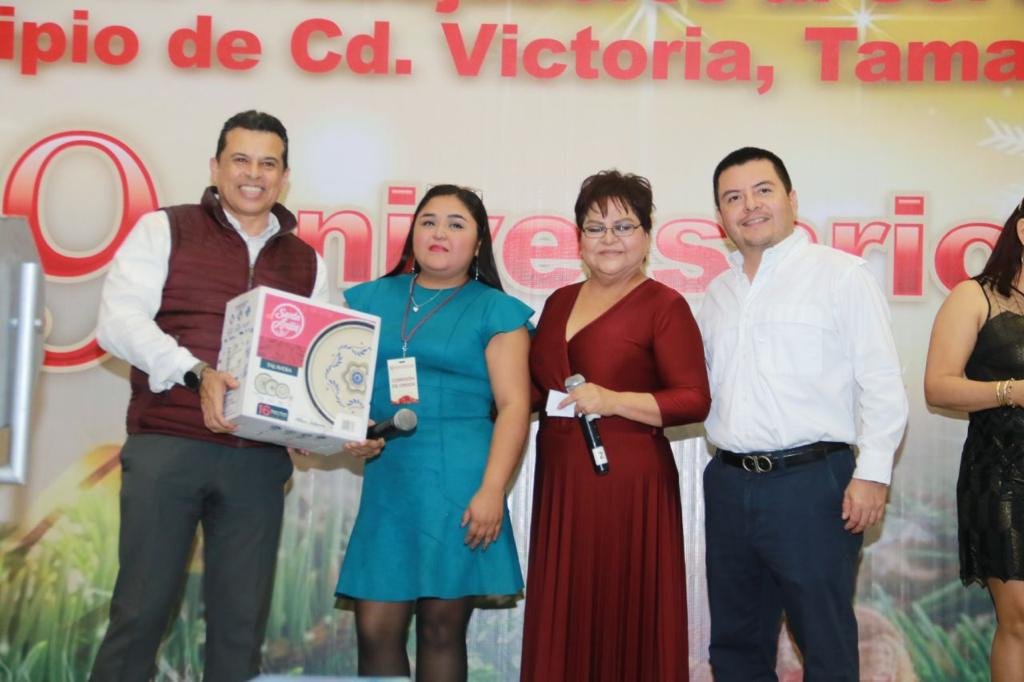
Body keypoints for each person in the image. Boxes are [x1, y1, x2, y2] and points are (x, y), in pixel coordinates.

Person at [90, 110, 328, 682]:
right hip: (168, 447)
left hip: (257, 462)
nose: (254, 174)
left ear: (284, 177)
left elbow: (319, 359)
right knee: (140, 612)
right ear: (216, 167)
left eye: (268, 163)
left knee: (240, 627)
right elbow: (117, 323)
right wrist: (196, 373)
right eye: (240, 160)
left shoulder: (307, 261)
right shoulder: (164, 229)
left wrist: (322, 424)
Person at [697, 147, 908, 681]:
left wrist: (873, 474)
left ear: (792, 199)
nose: (750, 205)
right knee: (736, 645)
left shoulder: (840, 275)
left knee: (824, 642)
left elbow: (882, 382)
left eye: (763, 190)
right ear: (720, 216)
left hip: (813, 485)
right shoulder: (716, 294)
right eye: (733, 197)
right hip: (729, 484)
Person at [334, 184, 532, 681]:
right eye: (428, 221)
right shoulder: (369, 298)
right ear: (413, 233)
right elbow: (341, 386)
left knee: (442, 631)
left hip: (460, 480)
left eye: (455, 224)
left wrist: (493, 490)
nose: (439, 232)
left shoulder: (496, 310)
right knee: (375, 629)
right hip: (390, 478)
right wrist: (352, 429)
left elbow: (514, 406)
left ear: (478, 243)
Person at [521, 170, 711, 681]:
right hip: (562, 482)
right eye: (595, 227)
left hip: (627, 485)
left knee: (623, 617)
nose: (609, 239)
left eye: (624, 226)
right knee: (566, 616)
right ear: (578, 238)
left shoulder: (664, 305)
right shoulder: (559, 301)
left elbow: (694, 399)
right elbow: (539, 390)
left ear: (647, 236)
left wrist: (612, 400)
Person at [924, 197, 1024, 682]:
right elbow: (938, 386)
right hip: (1003, 475)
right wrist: (1011, 392)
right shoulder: (975, 296)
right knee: (1020, 619)